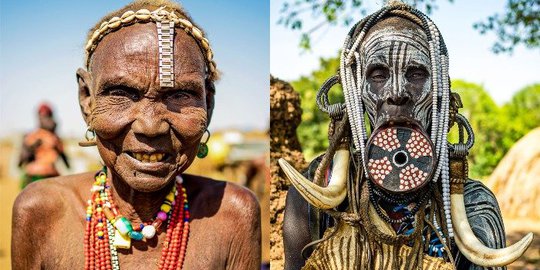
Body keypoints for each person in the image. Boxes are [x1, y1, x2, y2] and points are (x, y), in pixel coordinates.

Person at [279, 1, 532, 269]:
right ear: (355, 91)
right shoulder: (314, 191)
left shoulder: (474, 205)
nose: (397, 91)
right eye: (378, 74)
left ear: (439, 92)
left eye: (416, 74)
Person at [12, 1, 261, 269]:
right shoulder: (41, 212)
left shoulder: (233, 214)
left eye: (179, 95)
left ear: (208, 104)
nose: (151, 126)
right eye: (121, 93)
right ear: (87, 100)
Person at [18, 103, 70, 189]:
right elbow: (21, 161)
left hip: (48, 177)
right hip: (33, 177)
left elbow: (65, 160)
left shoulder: (54, 139)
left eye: (46, 116)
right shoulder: (32, 137)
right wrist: (33, 147)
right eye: (43, 116)